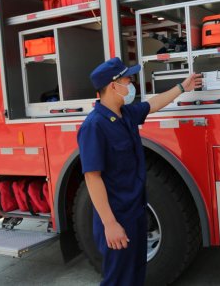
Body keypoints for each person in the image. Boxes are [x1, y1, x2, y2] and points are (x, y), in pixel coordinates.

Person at [77, 57, 201, 286]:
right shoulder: (94, 127)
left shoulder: (125, 115)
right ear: (113, 86)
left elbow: (154, 104)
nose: (131, 83)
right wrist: (110, 224)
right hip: (117, 218)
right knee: (118, 279)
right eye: (127, 80)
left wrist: (183, 87)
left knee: (135, 275)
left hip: (135, 212)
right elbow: (92, 178)